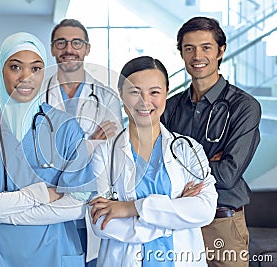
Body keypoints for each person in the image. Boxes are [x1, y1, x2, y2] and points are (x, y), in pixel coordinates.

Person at [0, 32, 96, 267]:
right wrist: (43, 194)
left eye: (36, 68)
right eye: (16, 67)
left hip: (54, 252)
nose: (26, 77)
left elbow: (78, 205)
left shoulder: (65, 127)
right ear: (2, 69)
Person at [88, 56, 218, 266]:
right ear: (121, 94)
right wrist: (174, 215)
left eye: (154, 92)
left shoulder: (188, 149)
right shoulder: (104, 154)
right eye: (135, 92)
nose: (145, 101)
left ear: (166, 93)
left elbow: (204, 210)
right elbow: (101, 223)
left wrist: (132, 208)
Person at [161, 17, 261, 267]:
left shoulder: (244, 107)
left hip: (222, 225)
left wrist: (182, 168)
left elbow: (228, 174)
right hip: (180, 222)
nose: (197, 56)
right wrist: (208, 161)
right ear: (181, 53)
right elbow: (158, 164)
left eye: (206, 47)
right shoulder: (169, 107)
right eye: (189, 48)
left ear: (221, 51)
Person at [45, 19, 124, 265]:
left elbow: (113, 154)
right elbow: (35, 155)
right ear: (52, 48)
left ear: (87, 48)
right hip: (48, 201)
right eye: (62, 43)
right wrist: (90, 144)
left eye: (76, 42)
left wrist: (61, 152)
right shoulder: (37, 96)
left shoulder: (107, 97)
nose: (69, 49)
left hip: (91, 202)